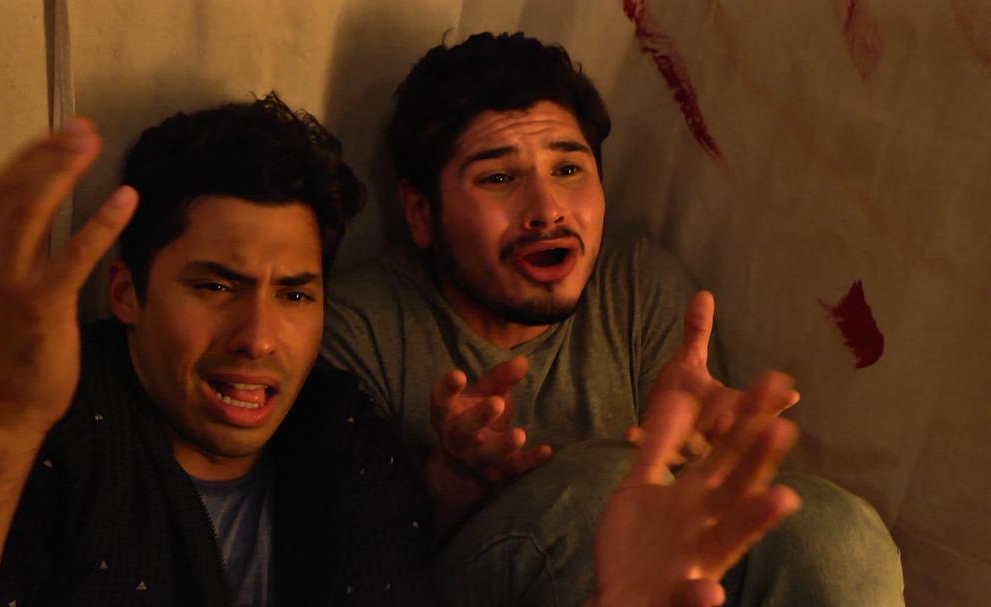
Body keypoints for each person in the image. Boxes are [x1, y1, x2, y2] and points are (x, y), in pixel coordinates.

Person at [0, 90, 805, 607]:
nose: (258, 337)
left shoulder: (337, 431)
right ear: (125, 291)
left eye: (295, 293)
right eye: (215, 285)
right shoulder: (38, 420)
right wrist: (4, 416)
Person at [321, 32, 906, 606]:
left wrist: (704, 455)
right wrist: (452, 481)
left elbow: (692, 532)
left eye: (568, 170)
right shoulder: (356, 328)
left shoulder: (638, 284)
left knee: (835, 532)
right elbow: (340, 570)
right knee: (601, 492)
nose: (547, 210)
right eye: (499, 178)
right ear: (420, 213)